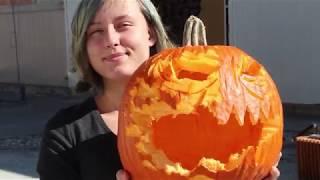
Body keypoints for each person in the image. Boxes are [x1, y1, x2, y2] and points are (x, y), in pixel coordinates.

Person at [37, 0, 280, 179]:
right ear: (84, 44)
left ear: (151, 33)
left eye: (123, 25)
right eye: (96, 31)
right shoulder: (65, 133)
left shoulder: (204, 113)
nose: (111, 40)